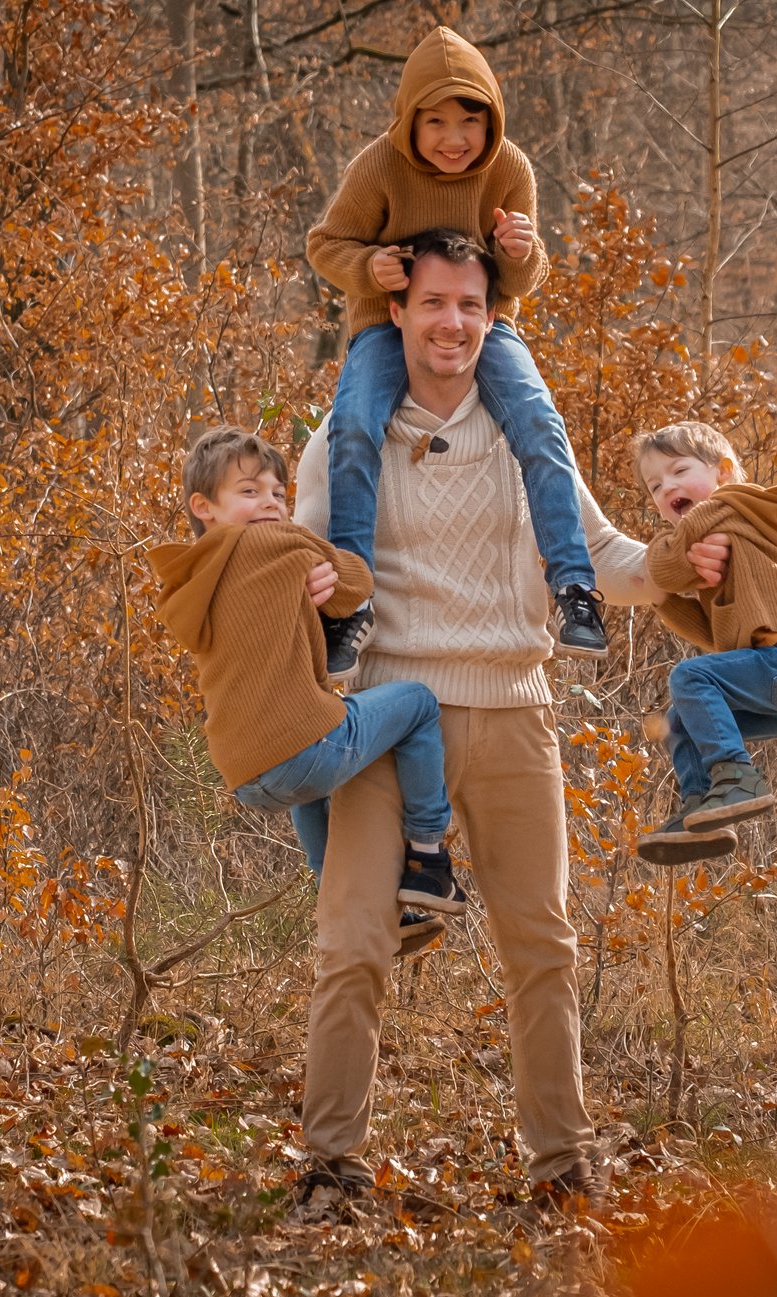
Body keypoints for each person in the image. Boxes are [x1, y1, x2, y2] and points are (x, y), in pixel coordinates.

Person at [286, 230, 723, 1214]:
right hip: (385, 720)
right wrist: (301, 582)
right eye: (433, 303)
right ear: (396, 311)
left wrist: (681, 558)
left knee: (542, 945)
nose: (452, 323)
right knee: (353, 939)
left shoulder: (528, 433)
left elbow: (605, 557)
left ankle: (562, 1163)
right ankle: (330, 1162)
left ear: (492, 316)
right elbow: (300, 550)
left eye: (470, 306)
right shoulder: (349, 432)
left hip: (516, 711)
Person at [305, 26, 606, 679]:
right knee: (352, 425)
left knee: (539, 420)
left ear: (491, 121)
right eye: (436, 121)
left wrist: (520, 253)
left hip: (483, 325)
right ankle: (350, 603)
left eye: (470, 121)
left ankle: (575, 587)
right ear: (409, 121)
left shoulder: (509, 169)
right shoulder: (378, 167)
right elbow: (325, 245)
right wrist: (370, 266)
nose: (454, 137)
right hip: (386, 323)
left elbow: (525, 278)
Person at [148, 428, 464, 957]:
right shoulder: (277, 541)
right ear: (204, 506)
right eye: (249, 491)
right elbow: (355, 584)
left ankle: (334, 897)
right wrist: (317, 558)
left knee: (307, 780)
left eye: (278, 493)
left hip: (247, 774)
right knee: (418, 703)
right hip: (309, 749)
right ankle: (429, 857)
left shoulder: (193, 580)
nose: (270, 503)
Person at [629, 420, 777, 865]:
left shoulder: (728, 505)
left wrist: (659, 564)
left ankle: (738, 778)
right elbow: (714, 636)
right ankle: (703, 811)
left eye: (679, 471)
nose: (667, 488)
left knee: (689, 677)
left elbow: (664, 567)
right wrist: (663, 602)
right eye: (655, 486)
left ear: (723, 471)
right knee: (680, 717)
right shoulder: (721, 530)